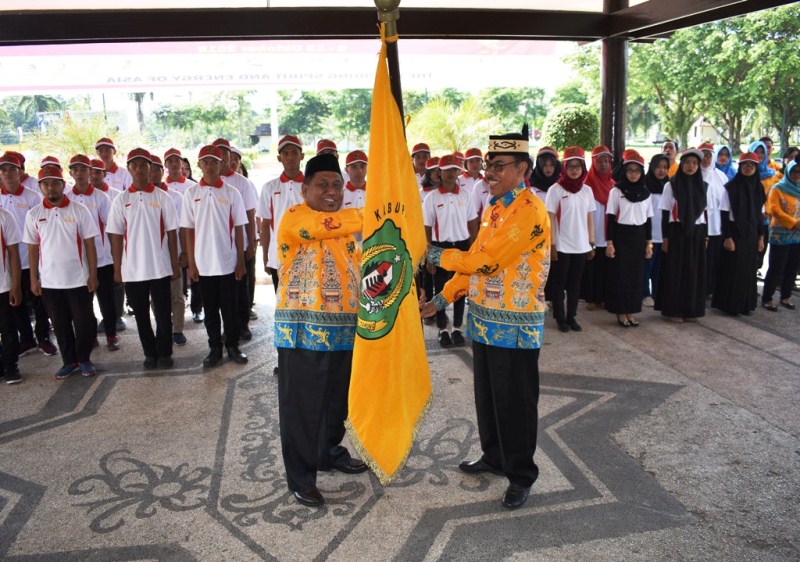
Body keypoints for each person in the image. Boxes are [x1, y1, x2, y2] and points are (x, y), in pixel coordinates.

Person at [421, 127, 550, 509]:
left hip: (515, 325)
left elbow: (486, 262)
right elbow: (474, 264)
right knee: (489, 398)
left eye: (498, 165)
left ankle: (521, 474)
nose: (488, 172)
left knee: (516, 403)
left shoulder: (529, 211)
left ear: (522, 168)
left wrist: (433, 255)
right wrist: (443, 299)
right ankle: (495, 457)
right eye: (488, 165)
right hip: (485, 320)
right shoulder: (494, 207)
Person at [274, 153, 368, 507]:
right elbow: (323, 227)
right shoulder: (296, 217)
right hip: (303, 334)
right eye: (322, 185)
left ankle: (328, 452)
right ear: (305, 188)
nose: (331, 192)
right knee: (301, 407)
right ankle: (301, 478)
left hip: (343, 331)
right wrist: (378, 210)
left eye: (337, 185)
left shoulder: (345, 231)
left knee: (335, 402)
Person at [24, 166, 99, 379]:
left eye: (55, 183)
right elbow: (32, 248)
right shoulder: (34, 214)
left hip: (78, 278)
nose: (51, 188)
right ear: (40, 187)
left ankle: (84, 359)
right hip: (50, 281)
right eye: (46, 184)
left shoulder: (79, 210)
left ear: (63, 185)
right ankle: (69, 361)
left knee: (83, 321)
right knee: (59, 323)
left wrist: (92, 275)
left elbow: (90, 245)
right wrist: (33, 279)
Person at [107, 149, 180, 369]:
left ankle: (165, 352)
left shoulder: (162, 197)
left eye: (144, 165)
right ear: (129, 168)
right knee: (141, 314)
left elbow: (172, 233)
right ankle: (150, 353)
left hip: (159, 267)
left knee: (163, 313)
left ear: (151, 168)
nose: (139, 169)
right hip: (133, 269)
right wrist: (118, 267)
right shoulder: (121, 200)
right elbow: (116, 236)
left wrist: (174, 264)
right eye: (135, 165)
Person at [182, 145, 248, 368]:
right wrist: (192, 263)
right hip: (202, 265)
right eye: (205, 162)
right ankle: (214, 348)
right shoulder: (191, 194)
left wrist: (240, 260)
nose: (210, 166)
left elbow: (239, 229)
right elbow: (188, 231)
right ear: (199, 165)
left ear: (222, 164)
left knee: (230, 309)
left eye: (214, 162)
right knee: (210, 311)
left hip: (228, 264)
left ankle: (233, 346)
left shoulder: (232, 193)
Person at [0, 152, 57, 357]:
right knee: (16, 301)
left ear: (20, 172)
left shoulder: (32, 196)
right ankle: (27, 339)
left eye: (12, 170)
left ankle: (43, 337)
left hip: (31, 257)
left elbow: (43, 226)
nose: (7, 174)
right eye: (3, 170)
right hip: (9, 262)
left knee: (39, 300)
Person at [423, 154, 479, 347]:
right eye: (446, 170)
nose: (450, 173)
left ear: (458, 172)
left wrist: (473, 248)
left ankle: (456, 328)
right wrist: (430, 256)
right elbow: (427, 227)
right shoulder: (432, 197)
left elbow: (472, 222)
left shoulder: (465, 195)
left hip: (462, 246)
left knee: (459, 289)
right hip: (441, 248)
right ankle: (442, 330)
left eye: (454, 170)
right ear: (439, 172)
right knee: (439, 290)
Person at [67, 154, 119, 351]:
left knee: (106, 299)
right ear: (71, 173)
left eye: (83, 169)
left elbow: (112, 229)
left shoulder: (101, 197)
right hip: (79, 262)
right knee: (83, 303)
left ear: (90, 172)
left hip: (102, 258)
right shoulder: (67, 197)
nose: (79, 173)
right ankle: (90, 336)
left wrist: (115, 258)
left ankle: (111, 334)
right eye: (75, 170)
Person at [212, 138, 258, 341]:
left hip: (240, 245)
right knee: (222, 293)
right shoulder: (207, 183)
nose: (222, 158)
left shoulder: (242, 183)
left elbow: (250, 214)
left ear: (231, 157)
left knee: (241, 288)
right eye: (218, 154)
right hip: (216, 248)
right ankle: (228, 326)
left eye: (225, 154)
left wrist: (251, 242)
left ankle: (243, 324)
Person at [545, 146, 595, 332]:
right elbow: (549, 218)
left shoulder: (587, 191)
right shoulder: (555, 190)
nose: (574, 170)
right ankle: (560, 318)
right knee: (560, 284)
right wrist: (552, 244)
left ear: (583, 168)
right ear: (564, 167)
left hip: (581, 246)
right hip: (562, 246)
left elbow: (590, 217)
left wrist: (591, 243)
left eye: (578, 166)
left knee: (575, 285)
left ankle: (572, 317)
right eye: (570, 166)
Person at [655, 148, 708, 323]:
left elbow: (705, 214)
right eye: (687, 163)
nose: (691, 166)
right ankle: (675, 310)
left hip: (697, 233)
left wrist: (706, 237)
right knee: (677, 271)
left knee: (694, 271)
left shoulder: (703, 186)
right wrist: (665, 238)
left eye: (694, 163)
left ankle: (691, 309)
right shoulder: (672, 185)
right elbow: (664, 213)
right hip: (676, 232)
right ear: (681, 164)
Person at [710, 152, 766, 315]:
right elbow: (724, 214)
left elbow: (760, 215)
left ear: (756, 168)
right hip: (735, 233)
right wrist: (727, 237)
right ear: (740, 166)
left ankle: (745, 305)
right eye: (745, 165)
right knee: (733, 270)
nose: (748, 168)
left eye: (751, 165)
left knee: (749, 270)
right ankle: (730, 305)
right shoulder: (731, 187)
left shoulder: (759, 187)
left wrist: (761, 236)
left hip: (751, 233)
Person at [605, 150, 653, 327]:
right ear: (624, 172)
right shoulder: (616, 191)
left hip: (639, 237)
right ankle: (620, 311)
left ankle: (631, 311)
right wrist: (610, 243)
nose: (633, 174)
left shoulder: (646, 193)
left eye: (637, 171)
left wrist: (649, 244)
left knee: (636, 276)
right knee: (621, 275)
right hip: (621, 236)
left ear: (642, 173)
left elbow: (648, 220)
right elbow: (610, 218)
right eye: (630, 170)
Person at [257, 134, 305, 290]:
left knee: (307, 303)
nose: (290, 157)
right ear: (279, 158)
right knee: (282, 303)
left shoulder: (311, 186)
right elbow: (265, 224)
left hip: (308, 255)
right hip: (278, 256)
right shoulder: (270, 187)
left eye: (294, 153)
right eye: (285, 153)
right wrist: (265, 257)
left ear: (302, 156)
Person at [150, 155, 188, 346]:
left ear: (161, 171)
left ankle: (178, 329)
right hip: (151, 257)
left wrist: (185, 252)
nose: (153, 173)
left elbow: (182, 227)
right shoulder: (140, 197)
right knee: (156, 297)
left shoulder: (175, 196)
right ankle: (162, 326)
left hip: (174, 253)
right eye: (150, 169)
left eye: (157, 169)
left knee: (176, 294)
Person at [164, 148, 202, 324]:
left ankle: (197, 308)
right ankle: (177, 315)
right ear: (165, 165)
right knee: (177, 278)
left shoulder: (192, 186)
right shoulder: (162, 188)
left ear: (182, 163)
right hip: (173, 239)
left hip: (191, 235)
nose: (173, 164)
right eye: (170, 161)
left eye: (176, 160)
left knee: (195, 274)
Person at [95, 137, 129, 332]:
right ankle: (106, 317)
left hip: (117, 236)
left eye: (107, 149)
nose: (104, 152)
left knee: (117, 280)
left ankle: (117, 316)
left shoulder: (122, 177)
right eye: (100, 149)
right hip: (96, 244)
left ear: (114, 151)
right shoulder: (83, 192)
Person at [761, 160, 800, 311]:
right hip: (780, 235)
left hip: (797, 235)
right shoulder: (778, 188)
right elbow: (774, 209)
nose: (797, 175)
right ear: (788, 172)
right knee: (776, 267)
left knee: (792, 267)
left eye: (799, 172)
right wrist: (793, 222)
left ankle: (786, 296)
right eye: (794, 172)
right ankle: (767, 297)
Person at [582, 145, 615, 310]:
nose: (603, 165)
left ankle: (602, 297)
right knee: (591, 267)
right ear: (593, 163)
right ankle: (590, 298)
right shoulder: (585, 186)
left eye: (606, 161)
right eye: (600, 161)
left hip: (607, 234)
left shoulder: (613, 186)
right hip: (592, 232)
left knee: (605, 267)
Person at [699, 143, 728, 298]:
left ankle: (710, 288)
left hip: (716, 224)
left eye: (709, 155)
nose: (706, 159)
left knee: (713, 259)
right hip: (700, 224)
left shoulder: (721, 176)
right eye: (703, 155)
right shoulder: (694, 174)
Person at [642, 154, 670, 308]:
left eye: (665, 167)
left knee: (659, 267)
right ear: (652, 167)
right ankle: (645, 293)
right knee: (647, 265)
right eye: (658, 167)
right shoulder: (645, 185)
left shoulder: (669, 185)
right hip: (650, 234)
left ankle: (656, 293)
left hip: (663, 234)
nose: (661, 170)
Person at [0, 205, 23, 384]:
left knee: (8, 328)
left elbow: (14, 254)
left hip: (3, 285)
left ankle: (10, 366)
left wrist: (16, 285)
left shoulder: (5, 217)